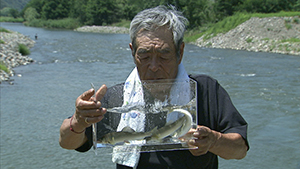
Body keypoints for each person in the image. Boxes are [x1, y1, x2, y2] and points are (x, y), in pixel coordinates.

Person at [59, 5, 249, 169]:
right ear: (132, 52)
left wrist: (214, 141)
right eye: (145, 55)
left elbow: (240, 149)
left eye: (164, 55)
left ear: (180, 52)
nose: (154, 66)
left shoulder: (205, 90)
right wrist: (78, 121)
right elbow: (67, 142)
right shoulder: (118, 97)